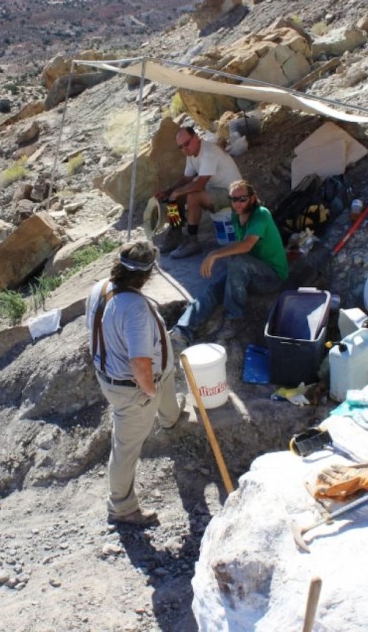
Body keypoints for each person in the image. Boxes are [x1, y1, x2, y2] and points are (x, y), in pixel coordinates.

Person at [86, 240, 181, 526]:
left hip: (117, 376)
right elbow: (140, 363)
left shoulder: (100, 287)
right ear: (148, 274)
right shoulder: (135, 308)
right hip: (134, 388)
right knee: (125, 447)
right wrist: (148, 390)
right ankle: (121, 507)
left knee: (166, 386)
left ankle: (170, 419)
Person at [170, 180, 289, 345]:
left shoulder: (261, 214)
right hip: (248, 271)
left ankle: (234, 318)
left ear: (252, 199)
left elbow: (246, 245)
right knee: (212, 289)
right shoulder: (235, 216)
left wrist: (214, 254)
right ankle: (181, 330)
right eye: (234, 199)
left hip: (271, 277)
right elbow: (238, 245)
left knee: (236, 259)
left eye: (242, 199)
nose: (237, 203)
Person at [155, 125, 243, 259]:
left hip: (233, 194)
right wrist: (168, 192)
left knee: (193, 197)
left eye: (187, 144)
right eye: (181, 147)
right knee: (175, 198)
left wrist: (177, 192)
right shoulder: (192, 154)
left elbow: (200, 184)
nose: (184, 149)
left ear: (196, 137)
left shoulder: (208, 152)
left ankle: (192, 241)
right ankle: (175, 234)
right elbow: (186, 179)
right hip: (216, 190)